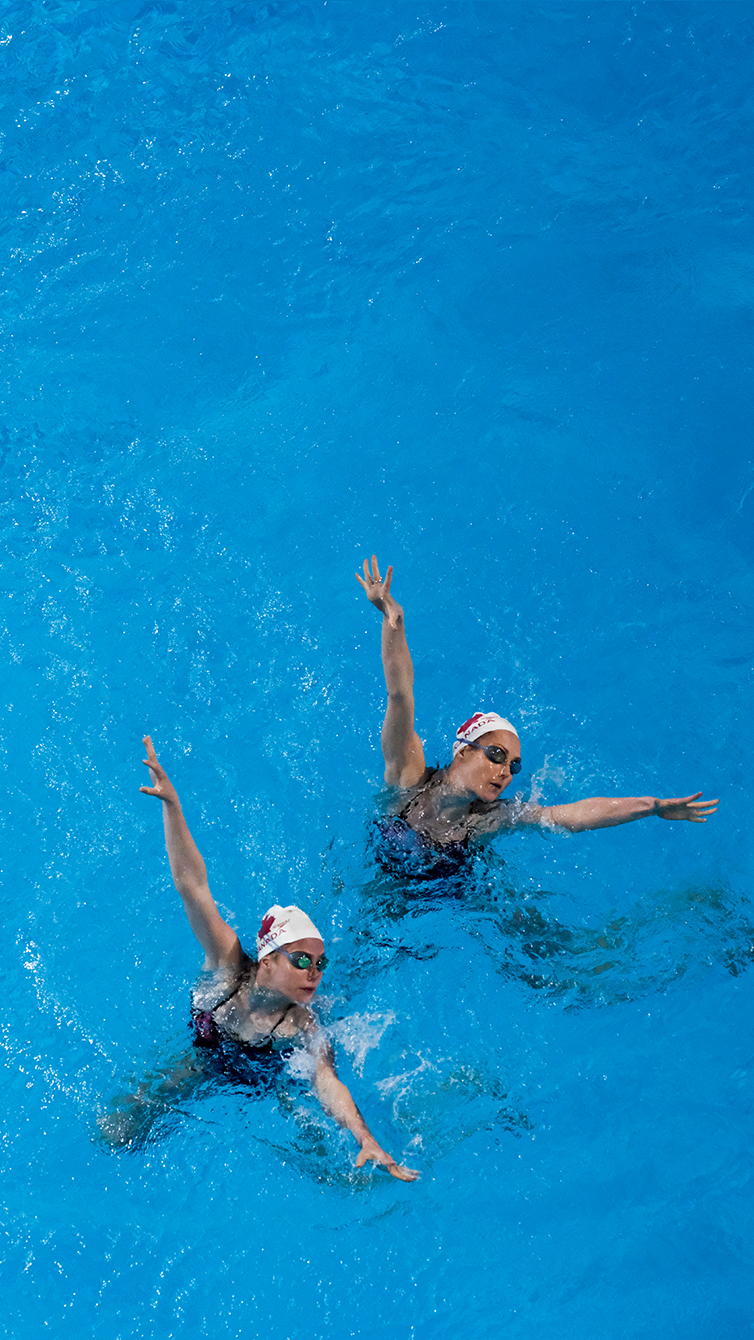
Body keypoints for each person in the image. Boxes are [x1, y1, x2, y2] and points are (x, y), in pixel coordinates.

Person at [102, 736, 417, 1181]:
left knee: (322, 1161)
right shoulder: (226, 965)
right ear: (267, 960)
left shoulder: (303, 1024)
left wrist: (364, 1135)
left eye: (320, 963)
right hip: (204, 1059)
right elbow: (192, 887)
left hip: (267, 1080)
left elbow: (327, 1081)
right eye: (302, 960)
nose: (314, 973)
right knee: (117, 1130)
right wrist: (172, 806)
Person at [356, 556, 718, 860]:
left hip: (451, 891)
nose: (506, 772)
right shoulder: (409, 779)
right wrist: (393, 621)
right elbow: (400, 696)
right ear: (464, 751)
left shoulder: (491, 818)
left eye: (514, 765)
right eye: (497, 755)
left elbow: (571, 816)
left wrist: (651, 807)